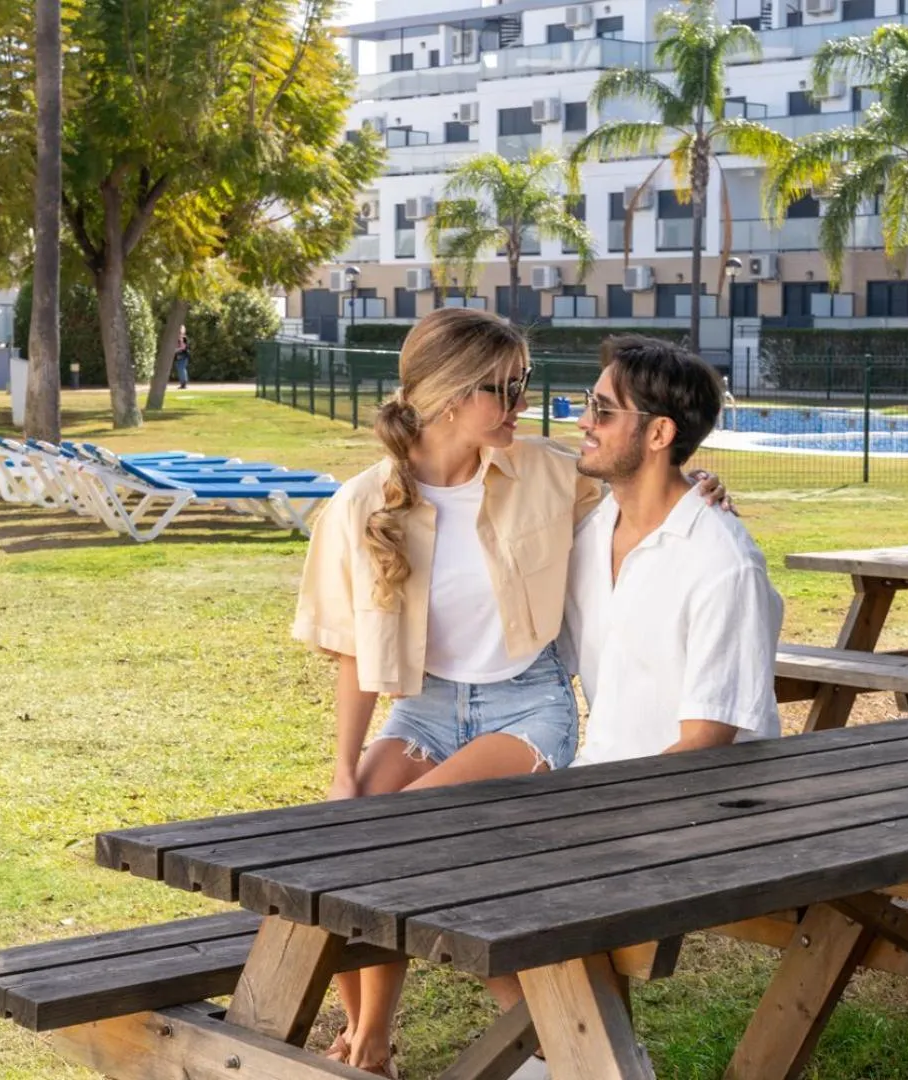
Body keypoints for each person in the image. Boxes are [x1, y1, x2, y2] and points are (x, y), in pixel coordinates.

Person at [291, 309, 726, 1076]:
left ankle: (566, 1046)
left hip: (527, 708)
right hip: (424, 708)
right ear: (453, 394)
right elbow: (354, 654)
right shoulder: (360, 505)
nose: (523, 402)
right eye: (507, 388)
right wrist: (342, 771)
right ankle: (373, 1042)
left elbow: (644, 504)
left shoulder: (548, 474)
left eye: (524, 384)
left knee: (404, 833)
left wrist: (696, 491)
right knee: (350, 835)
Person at [562, 334, 784, 766]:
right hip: (600, 782)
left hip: (694, 802)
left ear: (660, 432)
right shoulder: (591, 532)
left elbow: (706, 741)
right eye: (591, 403)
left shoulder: (723, 564)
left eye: (603, 410)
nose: (584, 422)